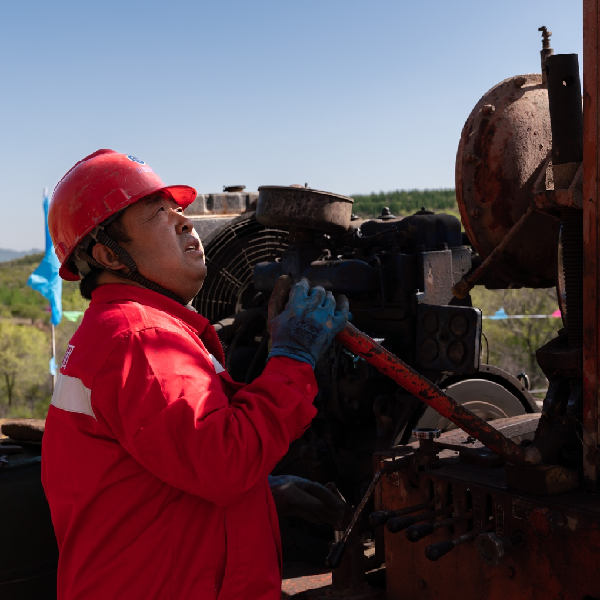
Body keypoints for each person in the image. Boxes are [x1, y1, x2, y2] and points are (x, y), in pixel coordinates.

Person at [42, 149, 349, 600]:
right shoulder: (141, 339)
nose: (184, 223)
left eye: (178, 210)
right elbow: (222, 462)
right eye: (157, 214)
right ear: (110, 254)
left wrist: (260, 494)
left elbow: (164, 466)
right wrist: (293, 357)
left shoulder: (125, 330)